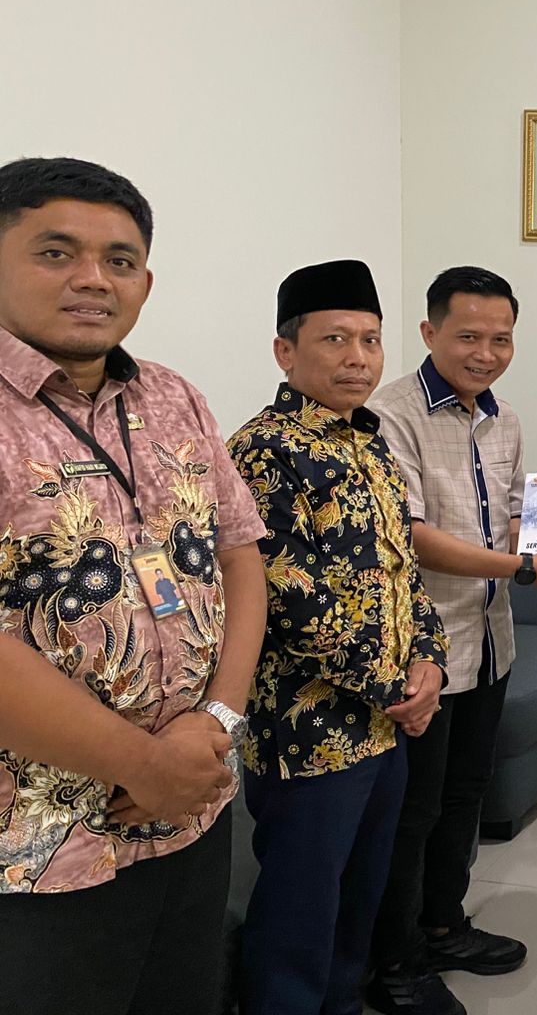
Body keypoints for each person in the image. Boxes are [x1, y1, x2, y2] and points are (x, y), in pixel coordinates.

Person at [0, 156, 265, 1015]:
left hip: (193, 806)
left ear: (145, 282)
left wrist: (217, 720)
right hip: (36, 849)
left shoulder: (173, 397)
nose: (93, 278)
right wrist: (142, 763)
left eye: (119, 260)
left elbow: (240, 554)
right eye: (55, 252)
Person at [364, 267, 537, 1015]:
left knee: (465, 794)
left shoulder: (504, 419)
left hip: (492, 640)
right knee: (414, 810)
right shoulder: (389, 414)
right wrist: (525, 568)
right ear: (429, 333)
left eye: (501, 339)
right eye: (469, 336)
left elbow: (515, 515)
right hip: (423, 652)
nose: (486, 354)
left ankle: (443, 923)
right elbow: (410, 535)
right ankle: (395, 962)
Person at [228, 259, 449, 1015]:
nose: (358, 357)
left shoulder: (371, 443)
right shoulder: (264, 451)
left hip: (384, 726)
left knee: (360, 898)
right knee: (300, 909)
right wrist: (396, 690)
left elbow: (403, 569)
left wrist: (429, 661)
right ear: (285, 351)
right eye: (335, 339)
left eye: (370, 340)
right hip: (308, 731)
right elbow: (289, 601)